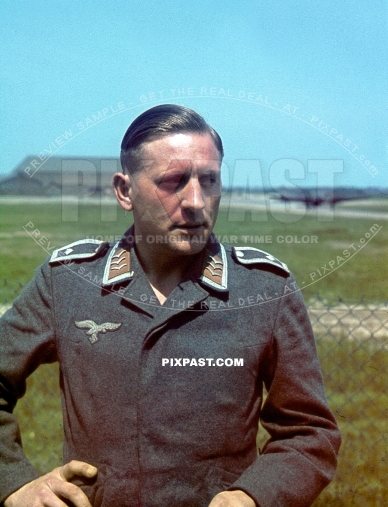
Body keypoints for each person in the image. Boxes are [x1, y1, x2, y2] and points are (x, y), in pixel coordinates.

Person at [0, 104, 341, 507]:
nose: (196, 200)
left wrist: (252, 497)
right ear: (125, 191)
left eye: (209, 180)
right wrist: (15, 484)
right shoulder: (67, 281)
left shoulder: (266, 288)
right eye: (173, 181)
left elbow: (308, 431)